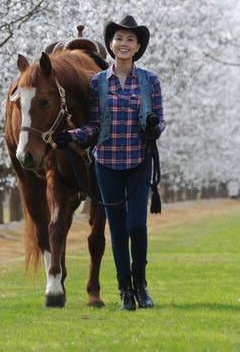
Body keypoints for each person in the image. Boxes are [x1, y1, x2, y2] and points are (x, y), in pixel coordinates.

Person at [56, 15, 165, 311]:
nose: (124, 44)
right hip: (107, 164)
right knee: (116, 230)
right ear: (111, 44)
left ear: (138, 46)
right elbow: (94, 126)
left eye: (130, 39)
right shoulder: (97, 83)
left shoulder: (149, 80)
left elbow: (160, 119)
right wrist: (71, 136)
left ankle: (141, 286)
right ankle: (125, 292)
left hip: (138, 162)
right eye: (119, 39)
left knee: (136, 227)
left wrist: (155, 128)